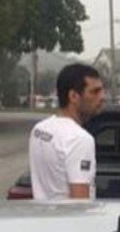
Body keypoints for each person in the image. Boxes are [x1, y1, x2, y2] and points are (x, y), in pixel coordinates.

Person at [28, 63, 107, 200]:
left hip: (41, 219)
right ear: (74, 96)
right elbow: (79, 203)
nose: (102, 97)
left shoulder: (39, 129)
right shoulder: (80, 139)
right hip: (67, 221)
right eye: (95, 91)